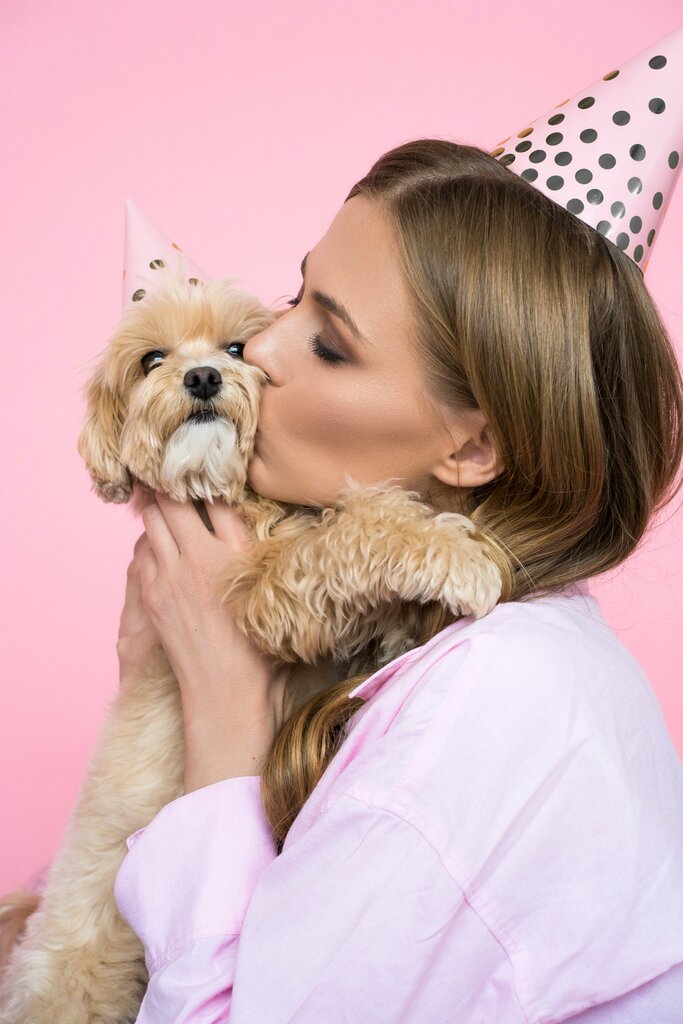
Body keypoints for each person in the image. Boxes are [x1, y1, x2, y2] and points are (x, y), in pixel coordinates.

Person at [112, 137, 683, 1022]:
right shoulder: (491, 653)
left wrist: (220, 703)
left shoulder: (492, 705)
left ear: (473, 447)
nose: (259, 347)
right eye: (294, 295)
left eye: (329, 344)